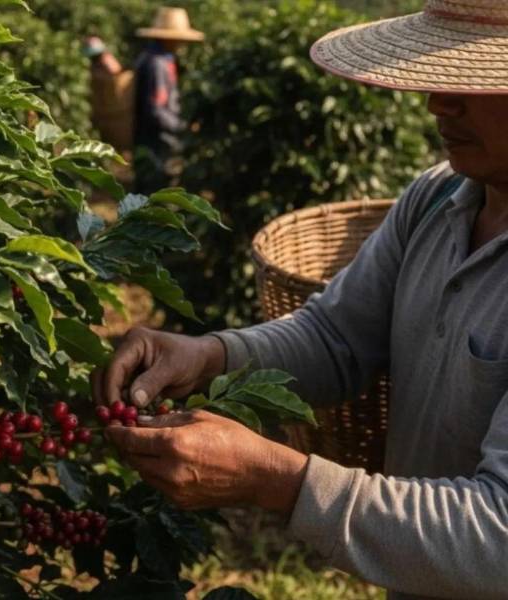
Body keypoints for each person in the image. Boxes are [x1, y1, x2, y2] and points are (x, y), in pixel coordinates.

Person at [91, 1, 508, 599]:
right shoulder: (437, 198)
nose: (437, 102)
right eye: (440, 75)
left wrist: (277, 480)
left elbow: (498, 536)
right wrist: (210, 355)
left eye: (475, 80)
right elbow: (337, 337)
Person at [132, 7, 204, 194]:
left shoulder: (153, 57)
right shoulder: (158, 64)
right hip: (157, 143)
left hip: (150, 139)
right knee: (154, 191)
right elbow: (156, 109)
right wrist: (182, 127)